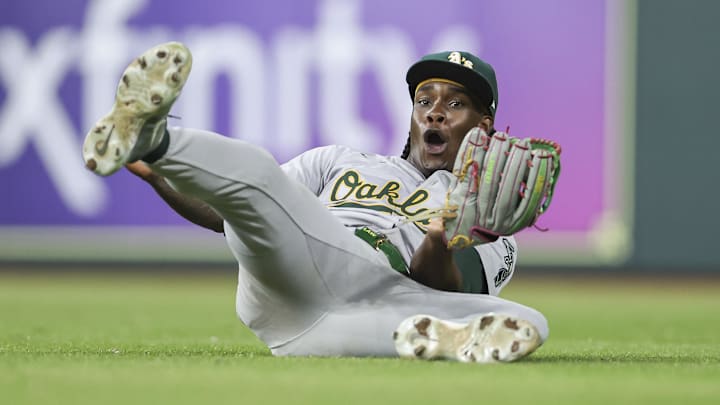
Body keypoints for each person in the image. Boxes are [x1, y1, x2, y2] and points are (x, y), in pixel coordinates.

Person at [82, 42, 548, 363]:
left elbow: (440, 285)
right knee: (263, 180)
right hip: (295, 273)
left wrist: (444, 235)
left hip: (362, 311)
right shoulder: (340, 160)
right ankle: (154, 139)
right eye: (424, 98)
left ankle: (444, 342)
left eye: (456, 102)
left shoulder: (488, 214)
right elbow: (234, 209)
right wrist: (158, 175)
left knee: (528, 322)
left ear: (483, 125)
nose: (434, 110)